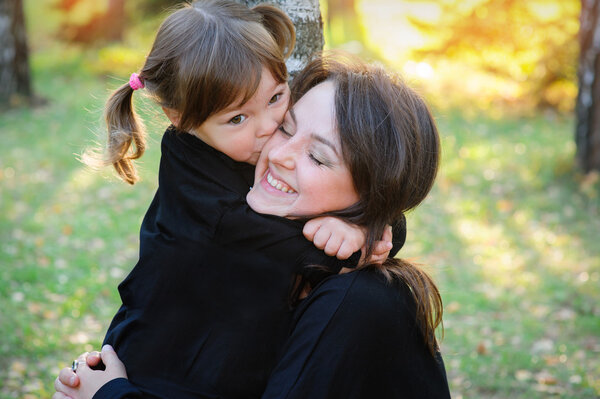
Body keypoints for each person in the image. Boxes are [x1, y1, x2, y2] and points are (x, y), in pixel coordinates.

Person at [54, 54, 450, 398]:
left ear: (371, 196)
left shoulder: (359, 304)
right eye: (287, 127)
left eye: (317, 156)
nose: (277, 153)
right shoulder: (224, 201)